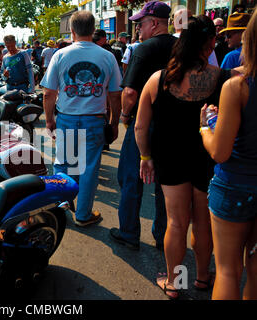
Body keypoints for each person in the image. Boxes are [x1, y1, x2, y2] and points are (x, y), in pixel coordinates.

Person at [136, 15, 231, 299]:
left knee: (176, 222)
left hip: (170, 157)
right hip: (209, 157)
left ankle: (175, 283)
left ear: (181, 41)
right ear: (212, 43)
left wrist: (145, 156)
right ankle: (202, 277)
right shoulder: (224, 79)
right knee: (203, 222)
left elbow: (140, 126)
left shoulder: (159, 79)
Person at [40, 10, 122, 227]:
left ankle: (58, 209)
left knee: (63, 165)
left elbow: (48, 93)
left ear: (72, 31)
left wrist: (49, 120)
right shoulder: (107, 56)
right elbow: (115, 94)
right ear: (93, 30)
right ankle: (83, 215)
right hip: (94, 121)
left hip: (66, 119)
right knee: (88, 169)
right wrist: (114, 123)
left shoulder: (60, 54)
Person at [200, 7, 257, 300]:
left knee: (226, 270)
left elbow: (220, 152)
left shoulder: (238, 85)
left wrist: (205, 128)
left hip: (235, 184)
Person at [110, 0, 176, 251]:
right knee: (165, 183)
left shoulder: (144, 49)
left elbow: (129, 92)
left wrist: (125, 116)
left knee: (130, 178)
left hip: (144, 124)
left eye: (141, 24)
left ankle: (128, 233)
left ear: (155, 23)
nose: (137, 29)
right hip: (174, 127)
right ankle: (164, 236)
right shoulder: (181, 48)